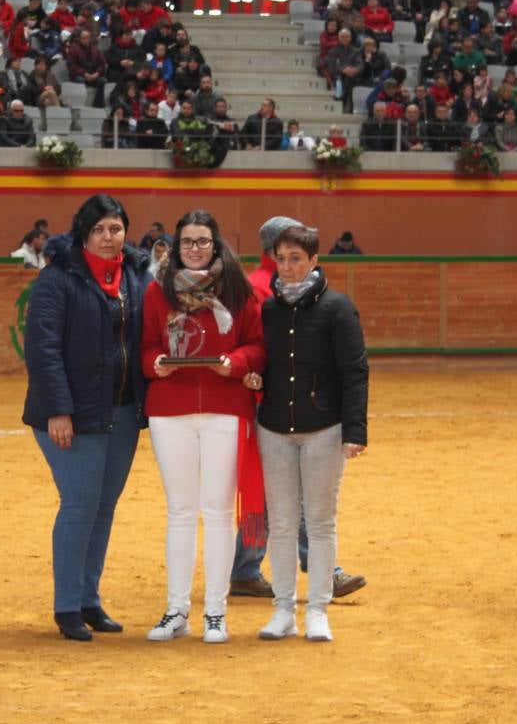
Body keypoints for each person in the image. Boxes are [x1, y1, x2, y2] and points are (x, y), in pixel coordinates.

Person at [23, 195, 147, 642]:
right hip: (71, 414)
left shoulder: (134, 276)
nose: (109, 238)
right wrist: (58, 409)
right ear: (83, 232)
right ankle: (67, 605)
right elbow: (43, 349)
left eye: (116, 229)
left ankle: (89, 598)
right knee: (79, 505)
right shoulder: (58, 279)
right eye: (100, 230)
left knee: (103, 507)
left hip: (124, 410)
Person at [141, 210, 265, 644]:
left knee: (216, 513)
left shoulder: (237, 290)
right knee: (179, 512)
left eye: (203, 242)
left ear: (216, 245)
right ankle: (177, 609)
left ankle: (216, 610)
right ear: (176, 247)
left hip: (224, 408)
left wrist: (238, 363)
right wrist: (154, 365)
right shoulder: (157, 292)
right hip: (170, 408)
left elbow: (256, 344)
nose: (195, 249)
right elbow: (147, 345)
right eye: (187, 242)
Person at [245, 224, 369, 643]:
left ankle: (317, 609)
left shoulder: (338, 308)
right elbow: (270, 363)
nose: (287, 267)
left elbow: (354, 373)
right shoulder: (270, 310)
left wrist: (356, 430)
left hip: (324, 429)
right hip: (276, 427)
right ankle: (283, 610)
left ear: (314, 261)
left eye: (296, 258)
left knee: (319, 522)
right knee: (280, 524)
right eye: (280, 259)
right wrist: (256, 379)